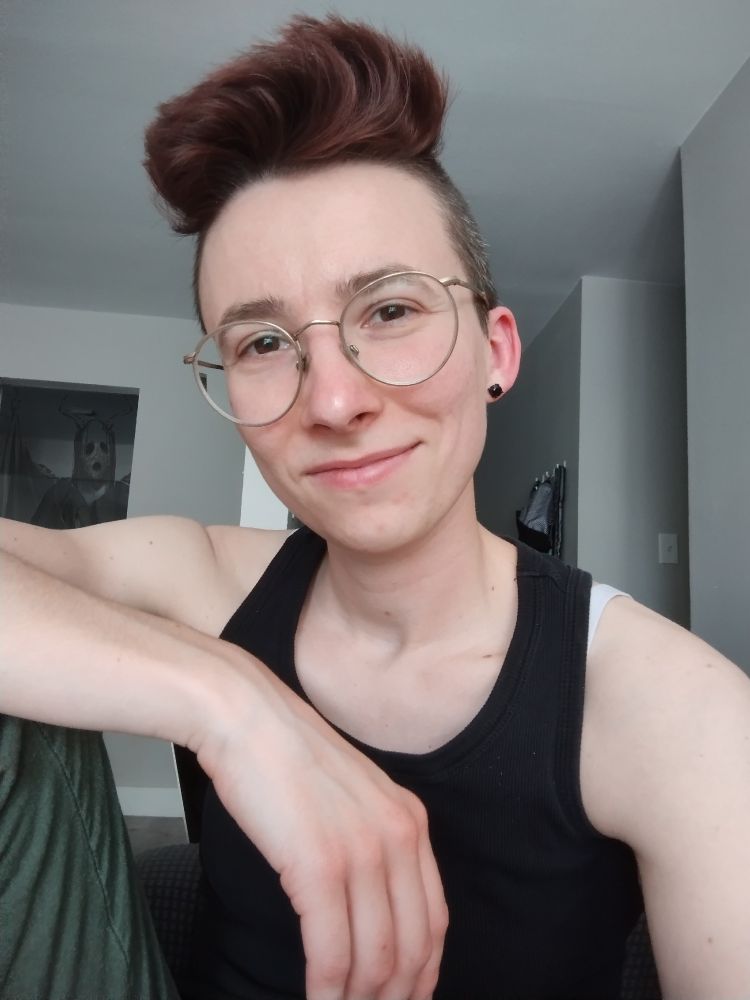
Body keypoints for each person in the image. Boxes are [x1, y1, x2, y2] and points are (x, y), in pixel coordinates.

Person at [2, 14, 749, 1000]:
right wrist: (234, 704)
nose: (334, 400)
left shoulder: (675, 711)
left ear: (498, 351)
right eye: (263, 343)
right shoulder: (212, 582)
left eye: (389, 312)